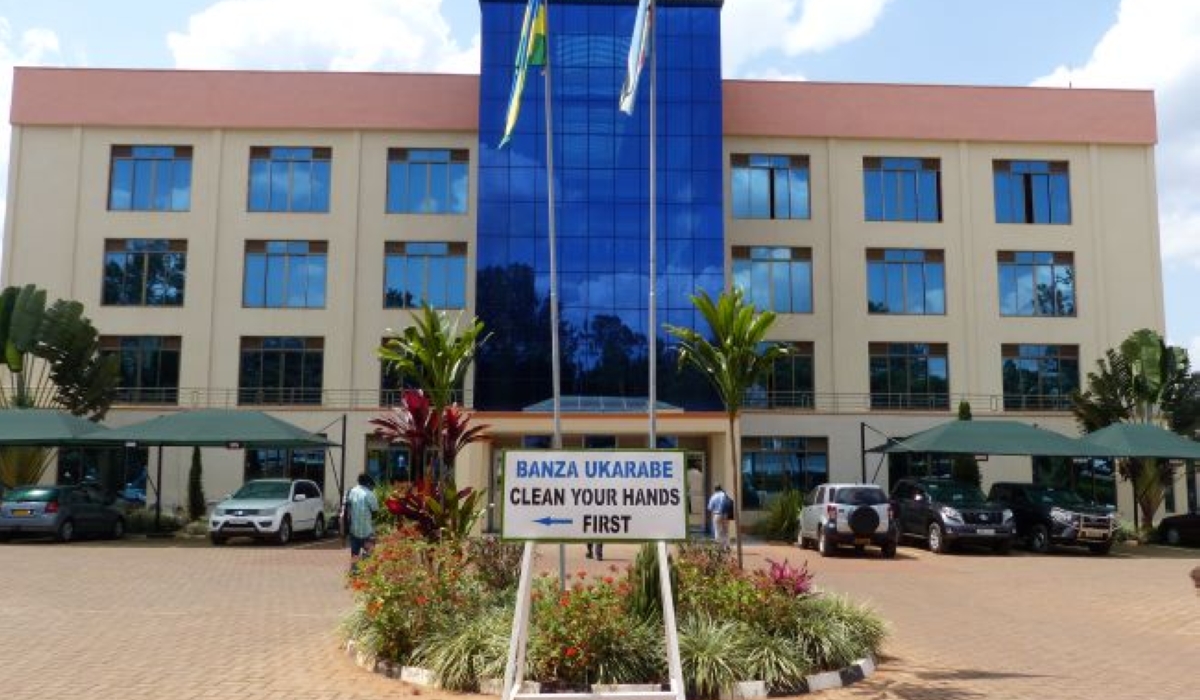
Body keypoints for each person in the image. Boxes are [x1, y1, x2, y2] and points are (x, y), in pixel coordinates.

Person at [344, 472, 379, 571]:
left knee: (354, 554)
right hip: (367, 531)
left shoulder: (352, 491)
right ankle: (366, 573)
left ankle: (354, 573)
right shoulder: (369, 494)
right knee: (369, 554)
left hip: (354, 530)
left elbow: (348, 507)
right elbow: (375, 511)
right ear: (368, 483)